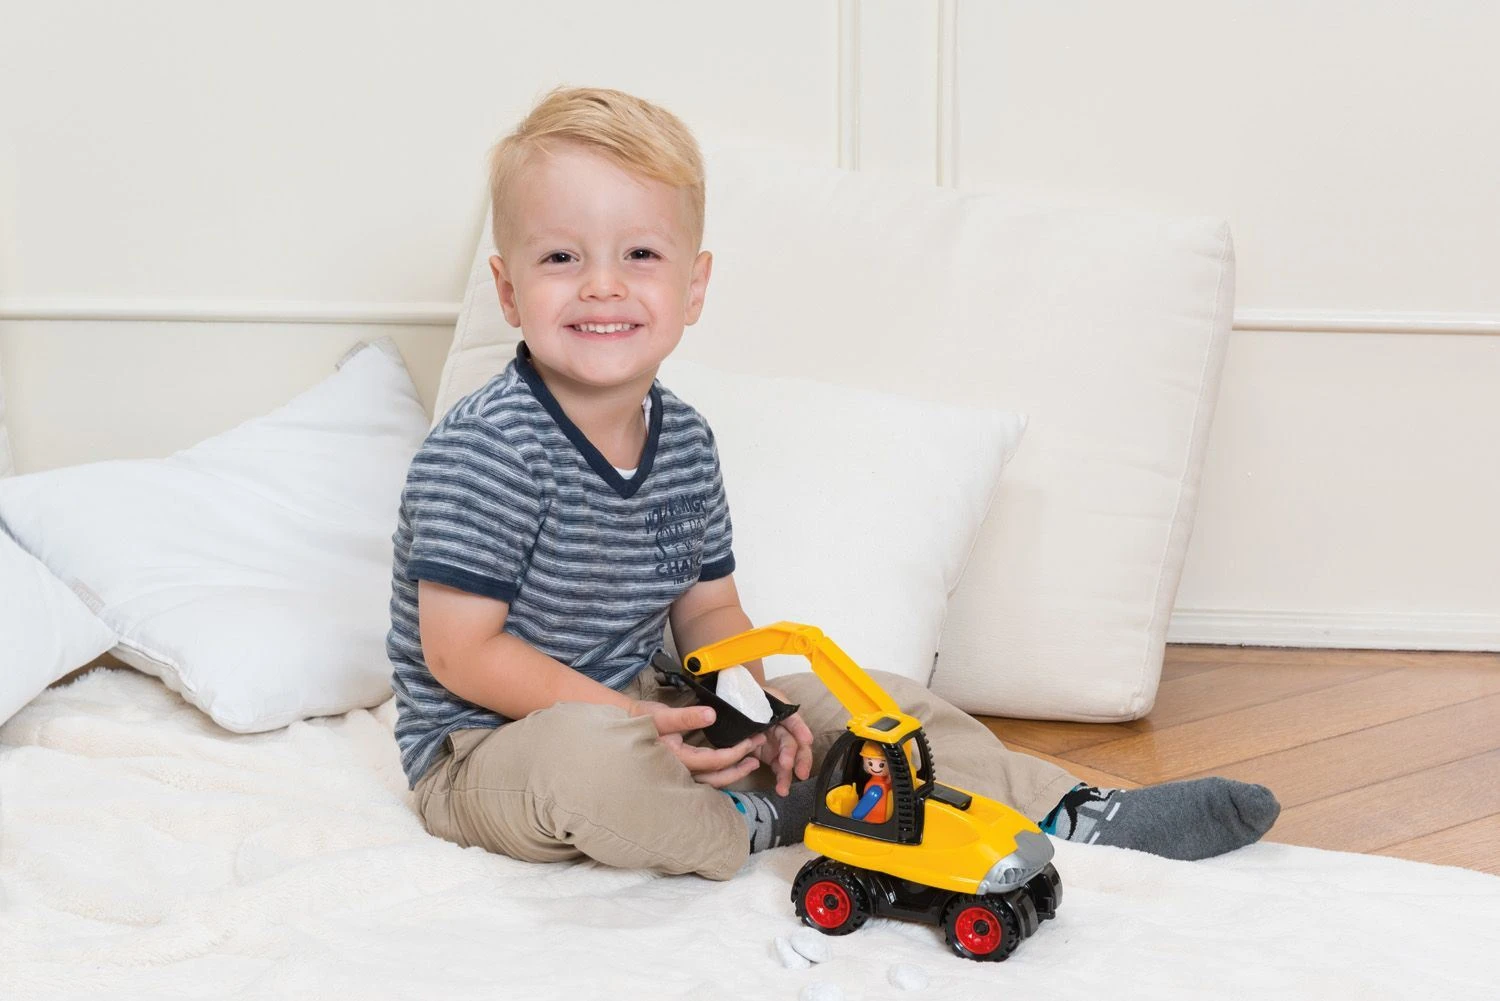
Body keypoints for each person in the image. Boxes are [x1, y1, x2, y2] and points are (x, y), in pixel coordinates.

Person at [386, 86, 1280, 881]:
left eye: (641, 255)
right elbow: (463, 653)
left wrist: (750, 708)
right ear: (509, 291)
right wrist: (633, 723)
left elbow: (709, 611)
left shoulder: (683, 441)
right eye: (561, 259)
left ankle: (1069, 807)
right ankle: (764, 820)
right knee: (593, 765)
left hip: (643, 702)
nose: (603, 286)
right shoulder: (488, 446)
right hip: (491, 747)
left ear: (694, 287)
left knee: (875, 701)